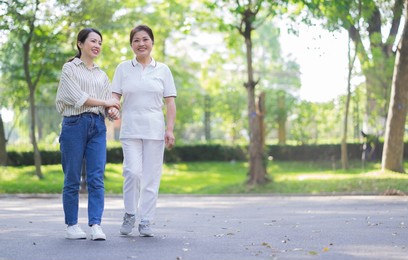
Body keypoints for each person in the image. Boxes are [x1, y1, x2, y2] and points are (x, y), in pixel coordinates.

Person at [111, 25, 177, 237]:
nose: (141, 44)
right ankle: (130, 213)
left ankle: (146, 220)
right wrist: (112, 108)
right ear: (131, 45)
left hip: (155, 130)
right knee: (132, 172)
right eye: (136, 40)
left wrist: (169, 129)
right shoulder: (123, 68)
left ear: (152, 42)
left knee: (151, 177)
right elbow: (115, 97)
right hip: (130, 129)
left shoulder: (163, 70)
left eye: (145, 39)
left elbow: (170, 103)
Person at [56, 28, 120, 241]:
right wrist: (106, 102)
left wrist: (112, 110)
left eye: (100, 42)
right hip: (74, 124)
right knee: (72, 177)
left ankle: (95, 225)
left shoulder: (102, 74)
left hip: (97, 126)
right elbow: (77, 97)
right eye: (93, 41)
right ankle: (72, 225)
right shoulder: (70, 68)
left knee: (96, 178)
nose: (97, 45)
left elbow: (107, 106)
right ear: (80, 43)